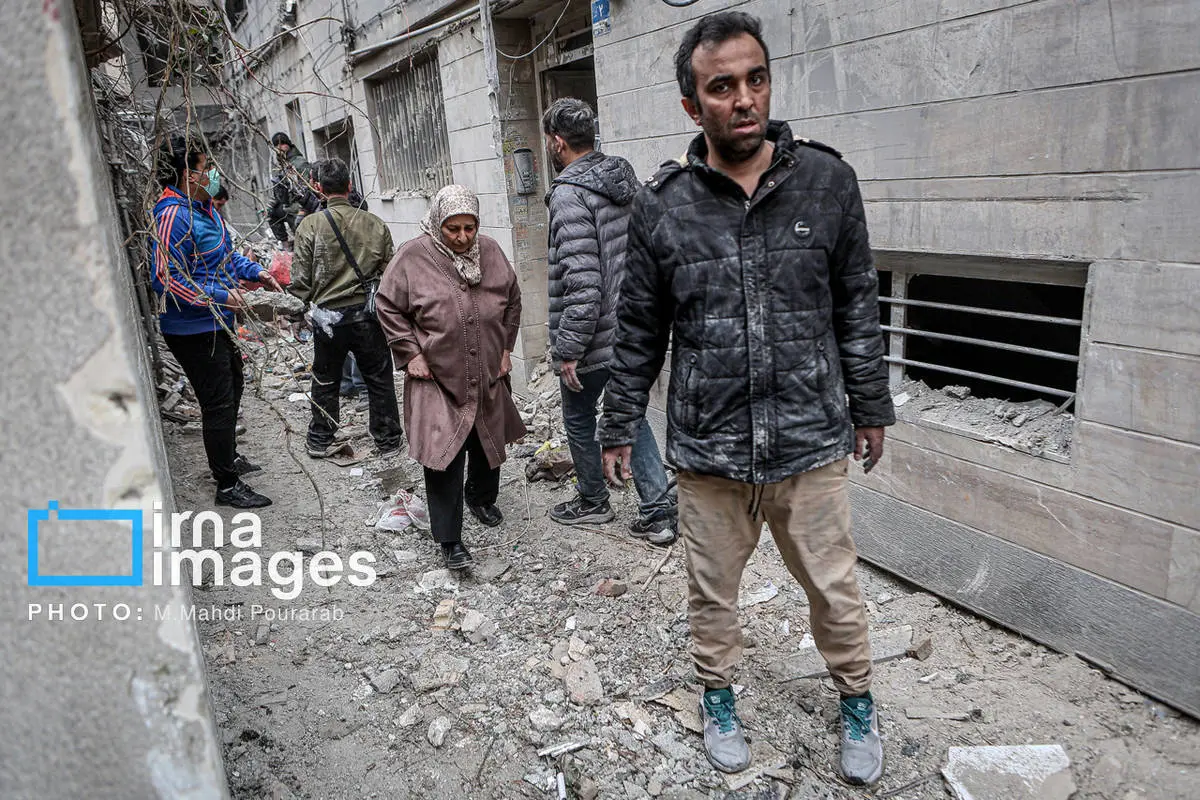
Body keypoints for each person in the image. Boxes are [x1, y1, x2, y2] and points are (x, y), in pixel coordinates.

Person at [598, 11, 895, 785]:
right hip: (710, 450)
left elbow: (857, 304)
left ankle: (857, 699)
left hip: (809, 440)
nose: (744, 99)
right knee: (712, 593)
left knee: (835, 589)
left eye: (755, 79)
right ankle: (719, 695)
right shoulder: (662, 204)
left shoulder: (828, 183)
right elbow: (639, 326)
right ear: (692, 105)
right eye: (722, 86)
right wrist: (619, 420)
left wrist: (871, 405)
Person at [542, 98, 677, 545]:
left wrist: (569, 349)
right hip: (632, 328)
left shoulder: (569, 195)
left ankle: (593, 500)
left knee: (580, 417)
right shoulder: (622, 179)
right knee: (628, 413)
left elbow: (583, 284)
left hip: (595, 334)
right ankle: (658, 511)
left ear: (557, 142)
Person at [375, 186, 525, 570]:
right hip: (436, 376)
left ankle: (480, 498)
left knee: (486, 439)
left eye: (469, 228)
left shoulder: (490, 251)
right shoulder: (412, 256)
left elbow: (512, 300)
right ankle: (450, 540)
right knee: (444, 453)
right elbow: (387, 305)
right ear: (437, 223)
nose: (462, 237)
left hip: (486, 369)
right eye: (452, 229)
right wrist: (410, 353)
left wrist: (505, 348)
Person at [150, 135, 282, 509]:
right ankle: (226, 485)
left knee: (234, 386)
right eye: (206, 167)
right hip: (193, 330)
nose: (213, 173)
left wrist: (256, 271)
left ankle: (228, 457)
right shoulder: (172, 217)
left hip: (217, 323)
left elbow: (225, 258)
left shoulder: (205, 209)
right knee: (218, 402)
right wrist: (221, 297)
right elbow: (165, 278)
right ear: (187, 174)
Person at [288, 158, 403, 458]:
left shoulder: (309, 225)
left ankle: (320, 439)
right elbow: (390, 273)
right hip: (367, 316)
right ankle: (388, 441)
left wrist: (297, 312)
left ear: (318, 188)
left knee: (325, 380)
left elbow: (300, 278)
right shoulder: (374, 223)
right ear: (350, 185)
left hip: (327, 319)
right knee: (378, 378)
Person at [266, 132, 311, 246]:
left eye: (281, 144)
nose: (279, 148)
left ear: (288, 145)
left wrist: (301, 209)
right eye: (276, 146)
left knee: (303, 240)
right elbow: (280, 188)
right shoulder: (283, 164)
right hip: (288, 205)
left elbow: (307, 189)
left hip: (299, 206)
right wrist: (271, 205)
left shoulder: (299, 163)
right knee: (272, 213)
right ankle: (285, 246)